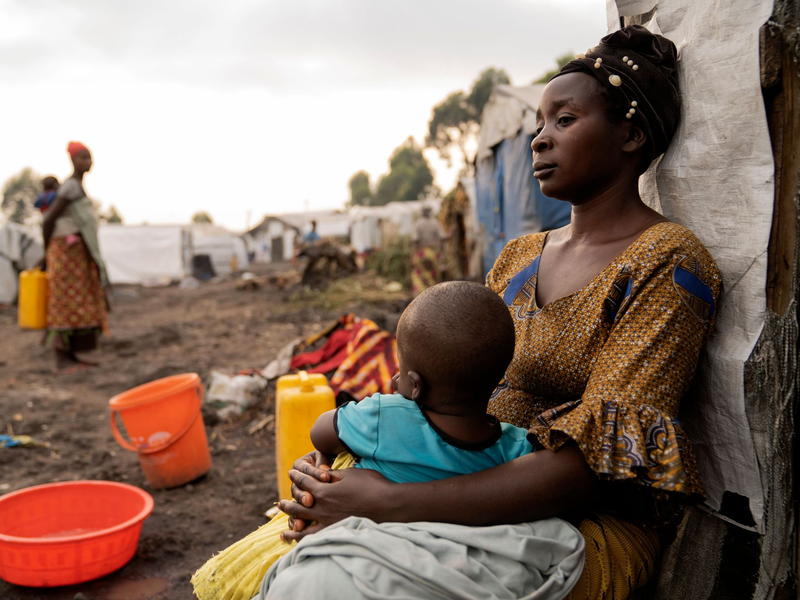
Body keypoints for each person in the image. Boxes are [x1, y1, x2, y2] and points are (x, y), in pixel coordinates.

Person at [277, 25, 722, 600]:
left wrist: (388, 503)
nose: (539, 140)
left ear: (631, 134)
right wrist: (342, 470)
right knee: (284, 560)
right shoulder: (518, 258)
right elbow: (449, 392)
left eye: (564, 120)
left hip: (578, 523)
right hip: (442, 483)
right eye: (539, 123)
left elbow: (599, 465)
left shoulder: (667, 262)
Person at [192, 281, 584, 600]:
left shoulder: (385, 417)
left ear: (412, 384)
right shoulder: (516, 447)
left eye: (400, 370)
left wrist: (331, 446)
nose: (394, 380)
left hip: (364, 539)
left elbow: (321, 431)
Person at [42, 142, 110, 371]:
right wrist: (46, 253)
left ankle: (72, 355)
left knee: (78, 302)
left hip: (76, 253)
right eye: (83, 157)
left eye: (89, 157)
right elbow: (48, 220)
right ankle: (61, 357)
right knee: (64, 303)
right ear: (73, 160)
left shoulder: (76, 187)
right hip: (65, 252)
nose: (87, 162)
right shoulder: (70, 187)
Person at [410, 205, 443, 295]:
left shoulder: (418, 224)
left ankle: (420, 296)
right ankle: (434, 295)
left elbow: (415, 241)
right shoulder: (435, 223)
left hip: (421, 253)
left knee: (419, 275)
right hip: (433, 254)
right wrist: (451, 231)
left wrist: (413, 256)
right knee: (433, 275)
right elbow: (442, 237)